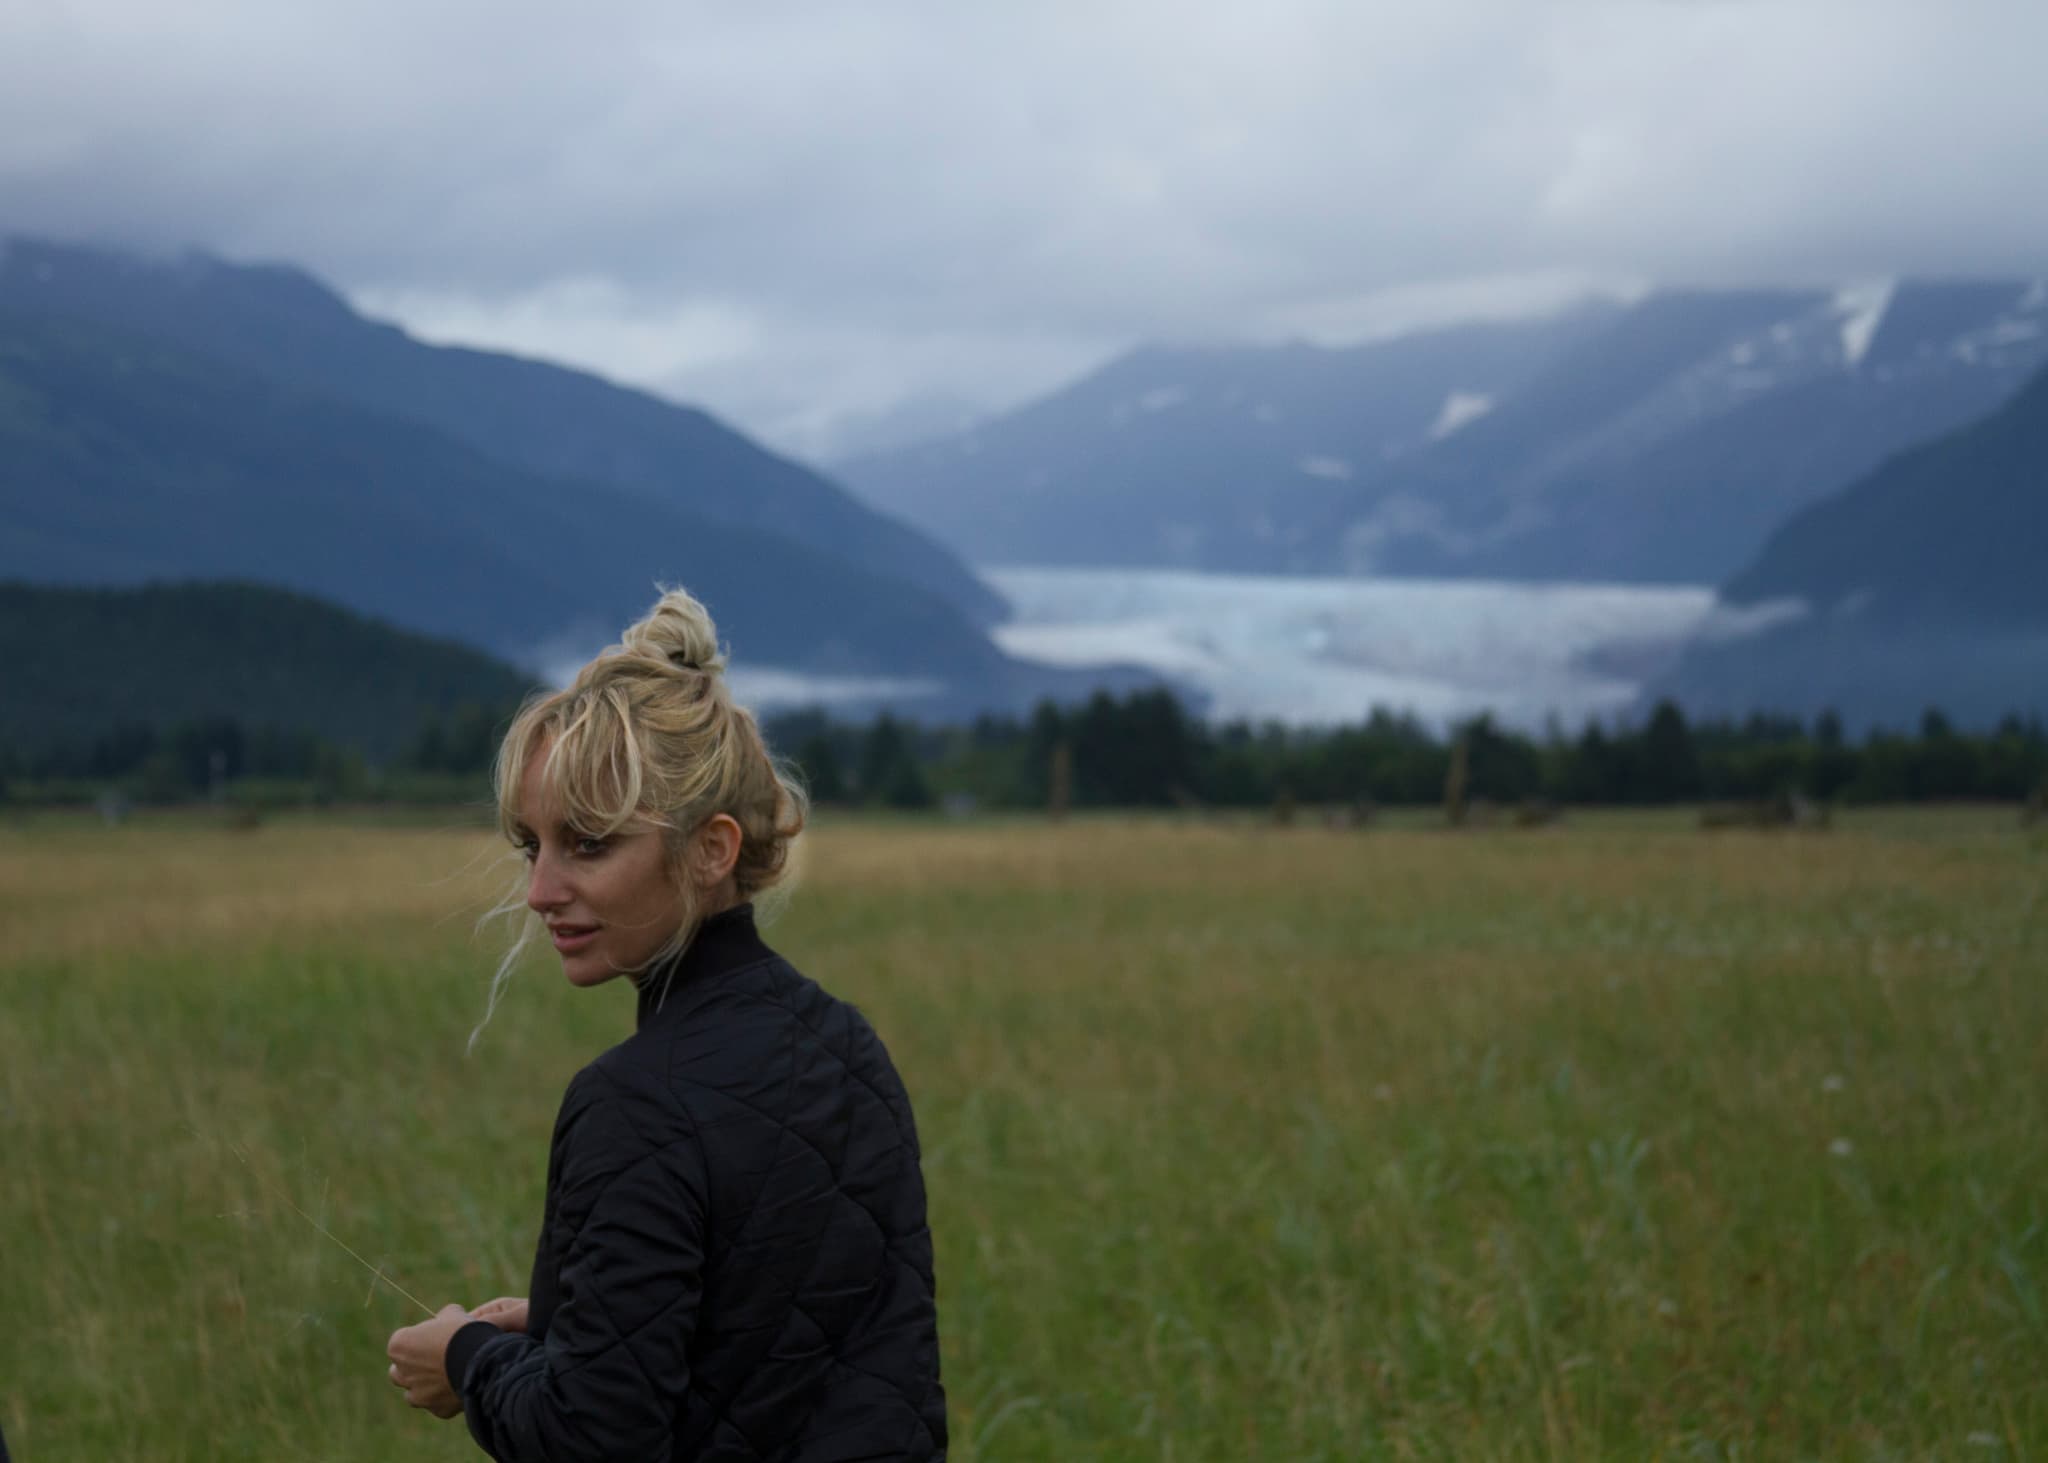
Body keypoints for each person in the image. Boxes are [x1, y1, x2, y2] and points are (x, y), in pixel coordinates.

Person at [385, 586, 947, 1461]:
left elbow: (592, 1438)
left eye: (589, 842)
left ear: (712, 850)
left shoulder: (632, 1105)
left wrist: (467, 1359)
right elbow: (794, 1342)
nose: (538, 891)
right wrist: (583, 1323)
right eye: (532, 846)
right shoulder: (851, 1048)